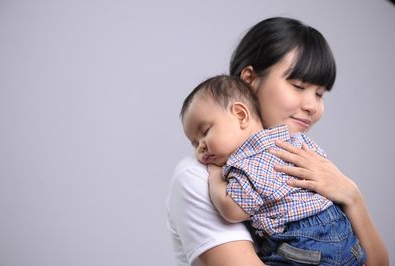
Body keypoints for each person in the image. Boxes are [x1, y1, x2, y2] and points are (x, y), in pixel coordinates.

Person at [166, 17, 389, 266]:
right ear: (249, 78)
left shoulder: (305, 160)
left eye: (319, 94)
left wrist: (352, 195)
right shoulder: (199, 177)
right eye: (298, 85)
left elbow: (378, 262)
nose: (312, 106)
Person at [180, 75, 365, 265]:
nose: (200, 147)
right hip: (347, 237)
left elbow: (232, 211)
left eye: (205, 132)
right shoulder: (294, 141)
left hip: (304, 245)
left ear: (241, 115)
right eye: (194, 143)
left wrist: (215, 177)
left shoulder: (246, 163)